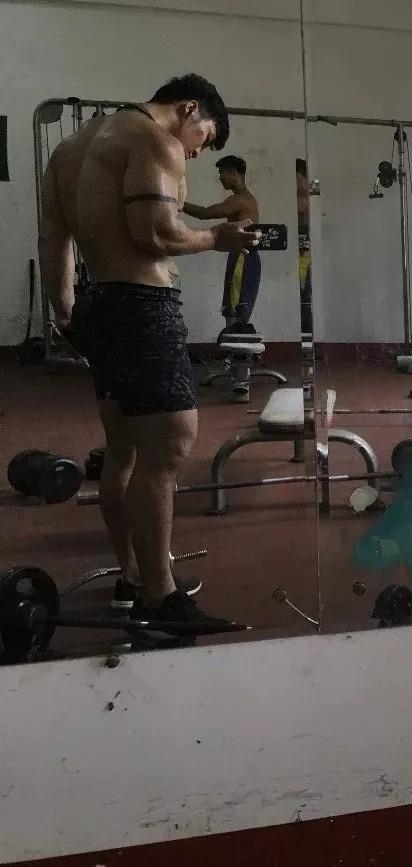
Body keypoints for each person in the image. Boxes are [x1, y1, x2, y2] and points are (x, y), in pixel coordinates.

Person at [38, 74, 260, 624]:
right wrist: (217, 239)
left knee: (124, 451)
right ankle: (162, 601)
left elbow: (54, 237)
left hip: (98, 303)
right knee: (167, 451)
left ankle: (134, 577)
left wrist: (65, 311)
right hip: (142, 306)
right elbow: (155, 234)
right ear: (189, 109)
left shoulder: (69, 150)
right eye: (204, 138)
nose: (197, 151)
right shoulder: (154, 139)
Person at [183, 155, 261, 329]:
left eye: (222, 173)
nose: (220, 177)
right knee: (233, 309)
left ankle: (235, 344)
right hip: (241, 256)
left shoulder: (238, 200)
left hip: (243, 257)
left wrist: (178, 204)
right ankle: (233, 342)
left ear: (234, 173)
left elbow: (204, 213)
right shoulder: (248, 198)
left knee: (235, 312)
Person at [296, 158, 313, 335]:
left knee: (307, 293)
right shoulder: (297, 198)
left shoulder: (309, 198)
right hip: (300, 253)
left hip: (308, 253)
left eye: (297, 178)